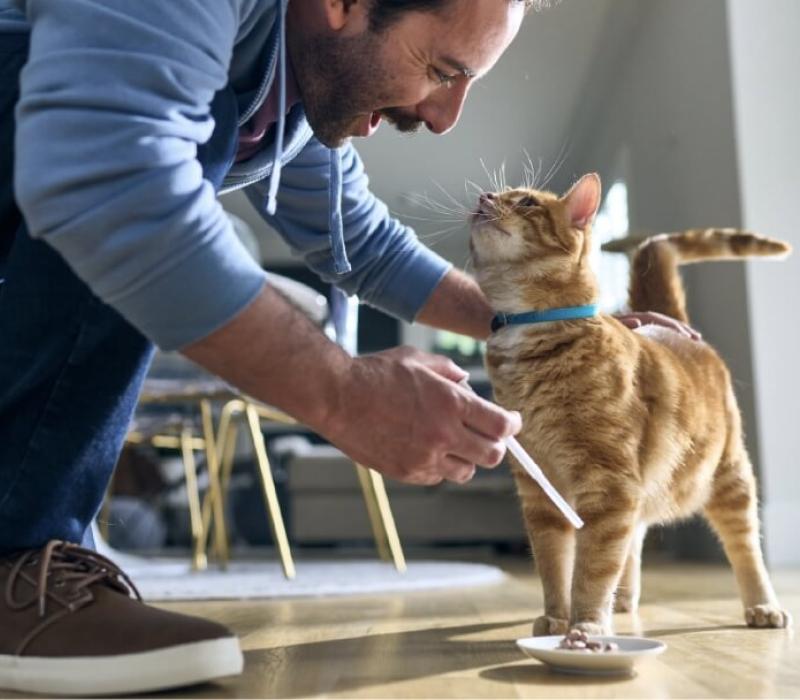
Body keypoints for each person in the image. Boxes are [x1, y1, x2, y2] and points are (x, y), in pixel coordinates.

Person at [0, 0, 698, 694]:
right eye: (441, 70)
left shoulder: (292, 84)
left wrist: (552, 321)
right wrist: (345, 394)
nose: (443, 116)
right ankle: (16, 555)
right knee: (163, 142)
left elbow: (359, 242)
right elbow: (113, 181)